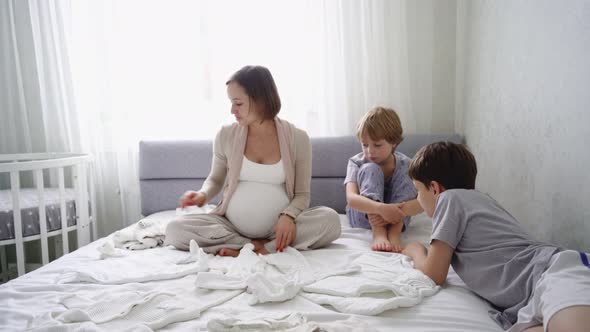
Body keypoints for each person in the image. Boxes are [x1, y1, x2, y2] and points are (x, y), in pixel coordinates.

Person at [403, 141, 590, 332]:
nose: (418, 198)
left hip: (553, 273)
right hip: (528, 302)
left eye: (418, 190)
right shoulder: (481, 201)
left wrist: (415, 249)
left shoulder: (449, 199)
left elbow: (434, 274)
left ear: (434, 188)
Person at [165, 65, 341, 256]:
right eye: (231, 103)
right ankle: (255, 247)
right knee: (174, 229)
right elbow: (215, 180)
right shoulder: (225, 135)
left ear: (260, 100)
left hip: (280, 227)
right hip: (231, 227)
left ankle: (257, 247)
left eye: (238, 103)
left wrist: (289, 216)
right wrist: (202, 195)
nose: (232, 110)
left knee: (330, 220)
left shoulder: (298, 139)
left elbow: (302, 194)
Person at [344, 107, 423, 252]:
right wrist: (381, 209)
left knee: (408, 169)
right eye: (365, 145)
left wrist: (394, 212)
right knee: (371, 168)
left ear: (394, 142)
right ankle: (378, 232)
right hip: (364, 215)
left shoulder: (407, 164)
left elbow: (422, 203)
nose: (370, 151)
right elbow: (351, 199)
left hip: (397, 218)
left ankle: (394, 234)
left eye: (377, 145)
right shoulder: (356, 162)